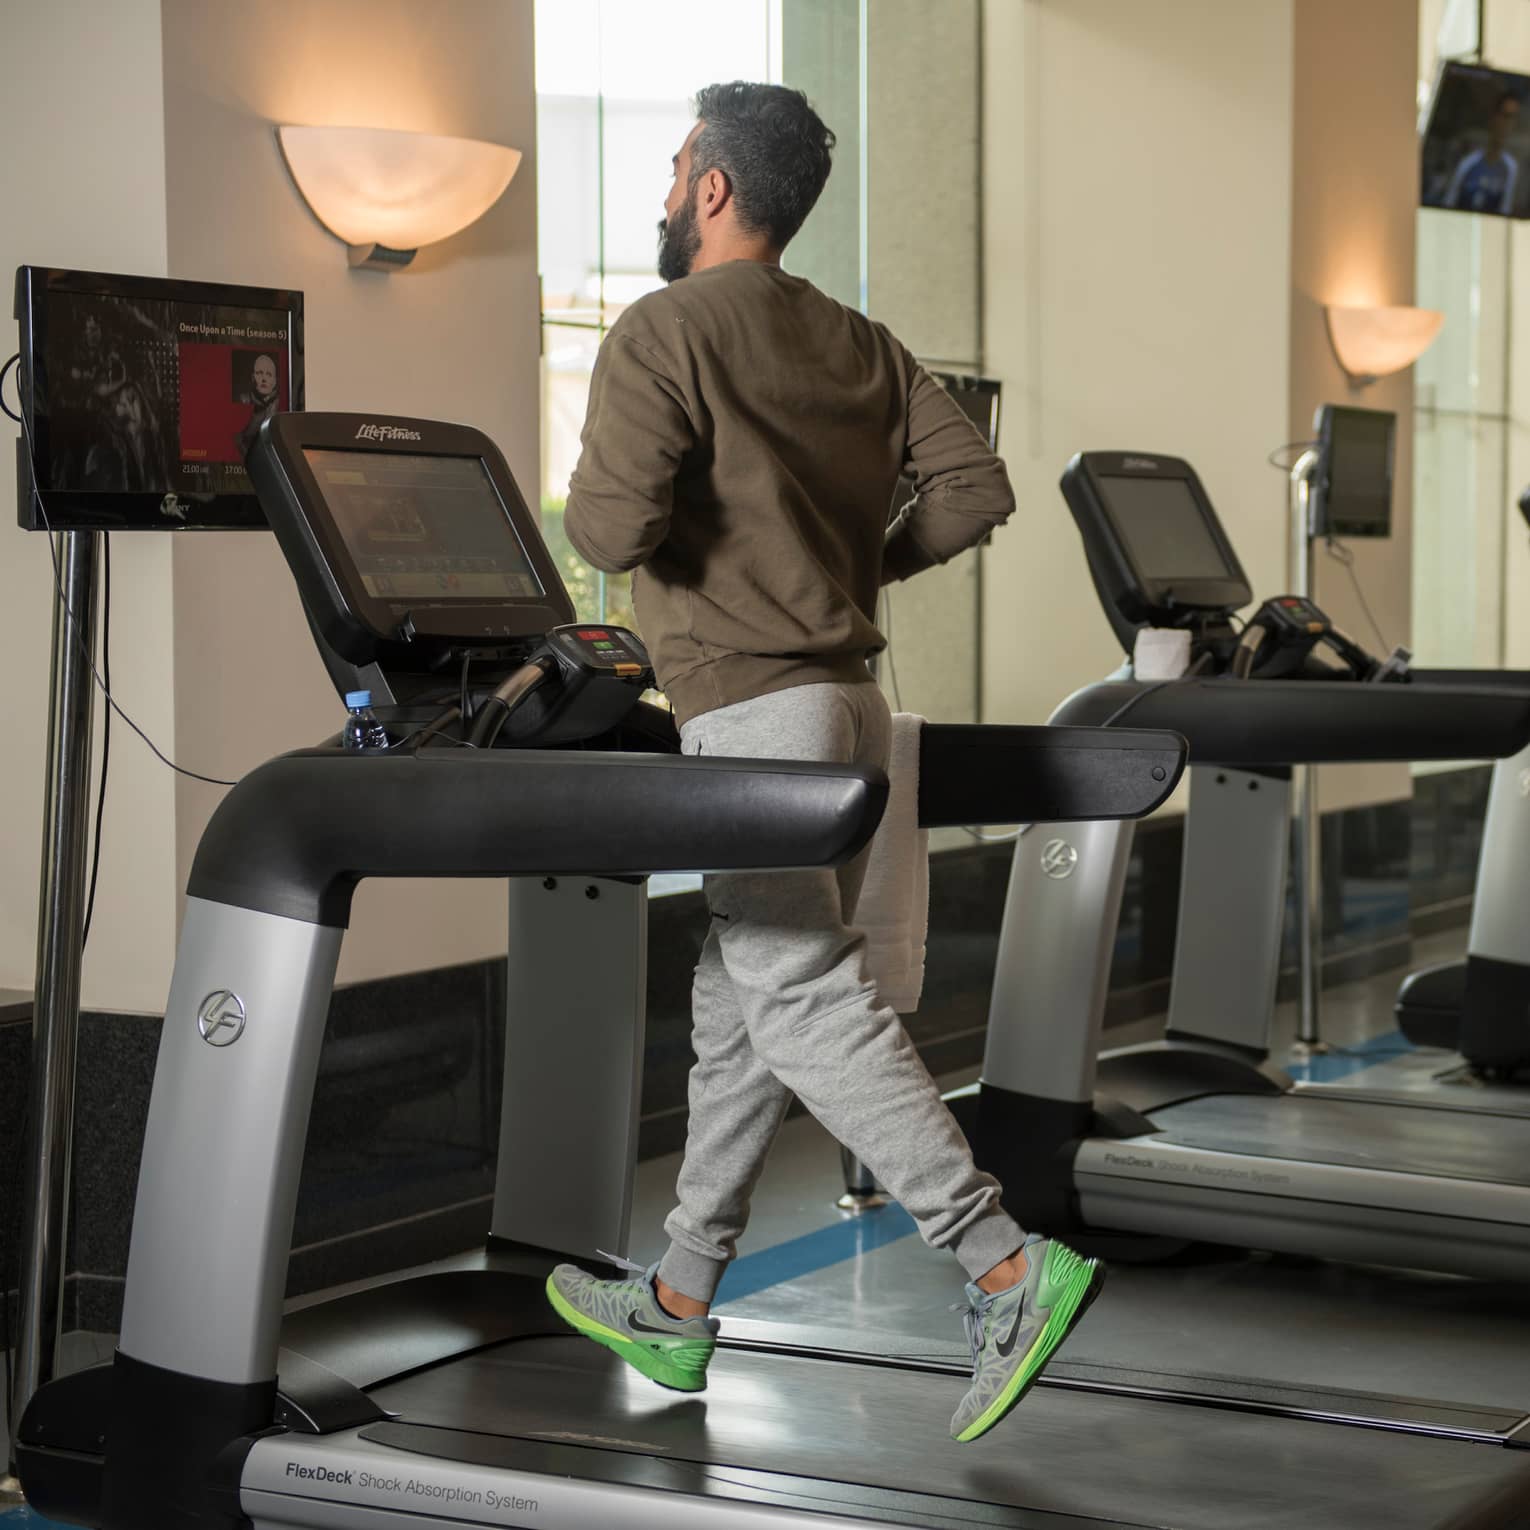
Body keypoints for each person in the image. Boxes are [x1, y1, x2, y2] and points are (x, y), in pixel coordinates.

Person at [547, 80, 1104, 1444]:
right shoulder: (859, 340)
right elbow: (975, 487)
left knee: (796, 993)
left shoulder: (662, 328)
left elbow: (610, 528)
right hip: (850, 704)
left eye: (678, 168)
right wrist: (855, 561)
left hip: (748, 708)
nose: (667, 188)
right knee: (739, 1001)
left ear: (715, 190)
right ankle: (678, 1299)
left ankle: (1002, 1263)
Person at [1445, 91, 1521, 214]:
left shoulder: (1511, 168)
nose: (1506, 124)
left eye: (1512, 118)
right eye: (1504, 116)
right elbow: (1449, 201)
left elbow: (1505, 210)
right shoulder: (1468, 162)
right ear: (1494, 117)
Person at [237, 352, 281, 459]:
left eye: (269, 374)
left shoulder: (278, 405)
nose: (264, 379)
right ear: (253, 377)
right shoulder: (243, 401)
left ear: (275, 381)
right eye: (260, 373)